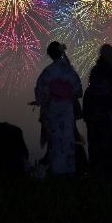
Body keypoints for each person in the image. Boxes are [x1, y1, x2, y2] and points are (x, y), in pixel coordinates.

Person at [34, 41, 82, 175]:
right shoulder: (69, 71)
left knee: (55, 144)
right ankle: (68, 174)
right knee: (67, 144)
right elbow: (78, 91)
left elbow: (40, 93)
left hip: (53, 113)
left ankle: (56, 175)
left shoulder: (48, 72)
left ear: (50, 54)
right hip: (67, 113)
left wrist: (50, 97)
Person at [83, 46, 112, 176]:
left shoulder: (91, 88)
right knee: (110, 151)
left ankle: (97, 176)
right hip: (108, 120)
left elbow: (86, 113)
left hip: (95, 121)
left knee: (95, 151)